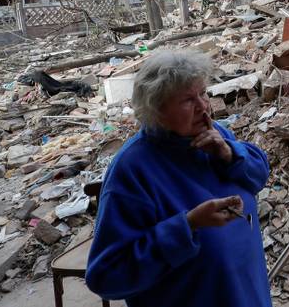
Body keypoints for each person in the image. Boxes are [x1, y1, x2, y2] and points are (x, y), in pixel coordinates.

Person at [85, 50, 271, 307]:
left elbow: (259, 175)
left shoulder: (214, 134)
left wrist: (230, 154)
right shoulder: (133, 169)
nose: (203, 106)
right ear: (156, 109)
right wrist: (187, 226)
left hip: (247, 294)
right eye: (187, 100)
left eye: (203, 93)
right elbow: (106, 277)